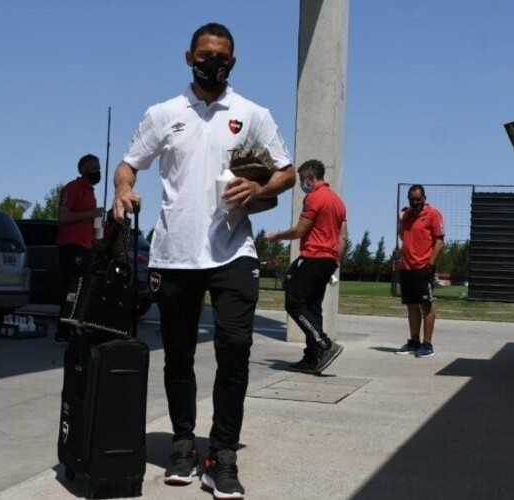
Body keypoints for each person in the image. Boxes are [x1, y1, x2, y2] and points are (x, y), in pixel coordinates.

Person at [111, 22, 295, 500]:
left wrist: (259, 187)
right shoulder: (163, 114)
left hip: (233, 251)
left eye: (222, 58)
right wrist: (124, 188)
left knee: (234, 349)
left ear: (232, 63)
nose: (213, 63)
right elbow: (130, 164)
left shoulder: (252, 113)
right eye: (205, 55)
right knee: (178, 356)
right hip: (174, 254)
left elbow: (288, 172)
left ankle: (224, 454)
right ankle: (183, 444)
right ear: (188, 57)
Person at [265, 159, 347, 375]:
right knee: (312, 306)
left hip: (313, 256)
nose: (302, 184)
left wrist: (277, 236)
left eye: (302, 180)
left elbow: (299, 231)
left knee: (293, 302)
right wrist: (335, 262)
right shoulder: (338, 202)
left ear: (311, 178)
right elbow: (342, 238)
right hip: (329, 259)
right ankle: (312, 358)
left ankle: (324, 344)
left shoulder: (314, 198)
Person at [55, 153, 104, 343]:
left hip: (86, 245)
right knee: (72, 288)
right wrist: (91, 213)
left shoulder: (91, 191)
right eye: (94, 168)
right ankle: (64, 330)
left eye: (99, 168)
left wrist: (97, 236)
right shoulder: (72, 188)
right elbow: (63, 216)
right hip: (71, 245)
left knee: (82, 289)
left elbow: (88, 221)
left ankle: (75, 325)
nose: (97, 172)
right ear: (84, 169)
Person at [396, 184, 444, 357]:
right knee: (411, 305)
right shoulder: (408, 215)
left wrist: (430, 264)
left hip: (423, 267)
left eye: (418, 199)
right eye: (412, 199)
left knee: (426, 306)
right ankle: (414, 341)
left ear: (424, 198)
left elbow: (440, 241)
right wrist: (401, 220)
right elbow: (403, 236)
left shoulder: (433, 214)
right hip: (407, 267)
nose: (415, 202)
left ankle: (427, 344)